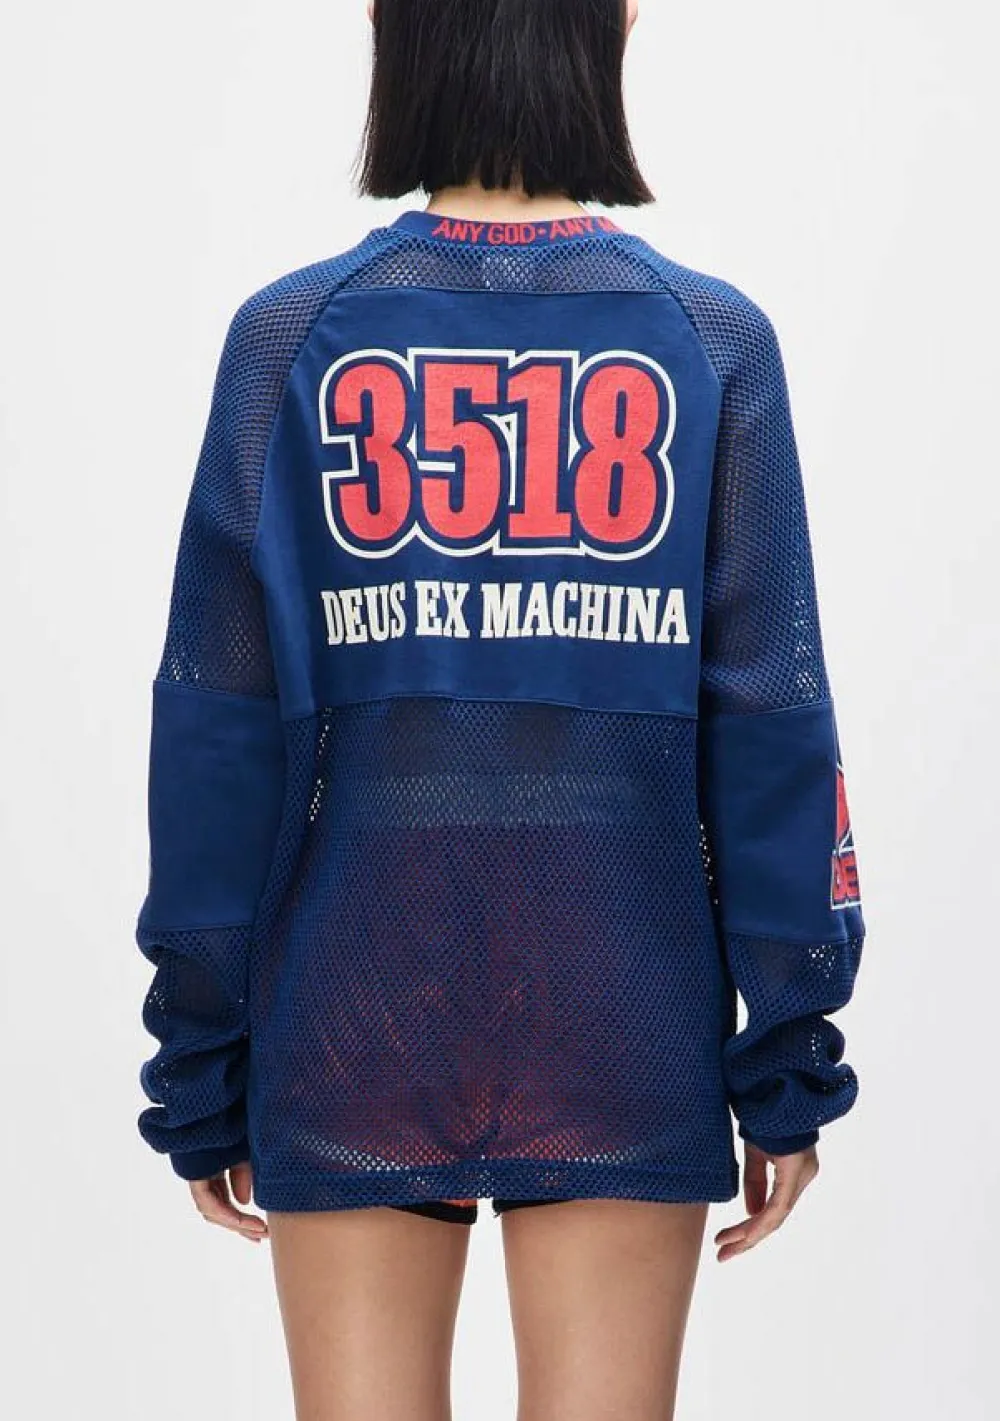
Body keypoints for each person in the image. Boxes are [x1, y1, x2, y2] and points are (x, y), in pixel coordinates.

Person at [134, 1, 867, 1416]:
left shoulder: (290, 340)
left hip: (350, 1007)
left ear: (392, 25)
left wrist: (202, 1059)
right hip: (622, 1006)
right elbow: (771, 733)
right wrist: (788, 1054)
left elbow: (217, 732)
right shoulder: (708, 343)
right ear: (614, 23)